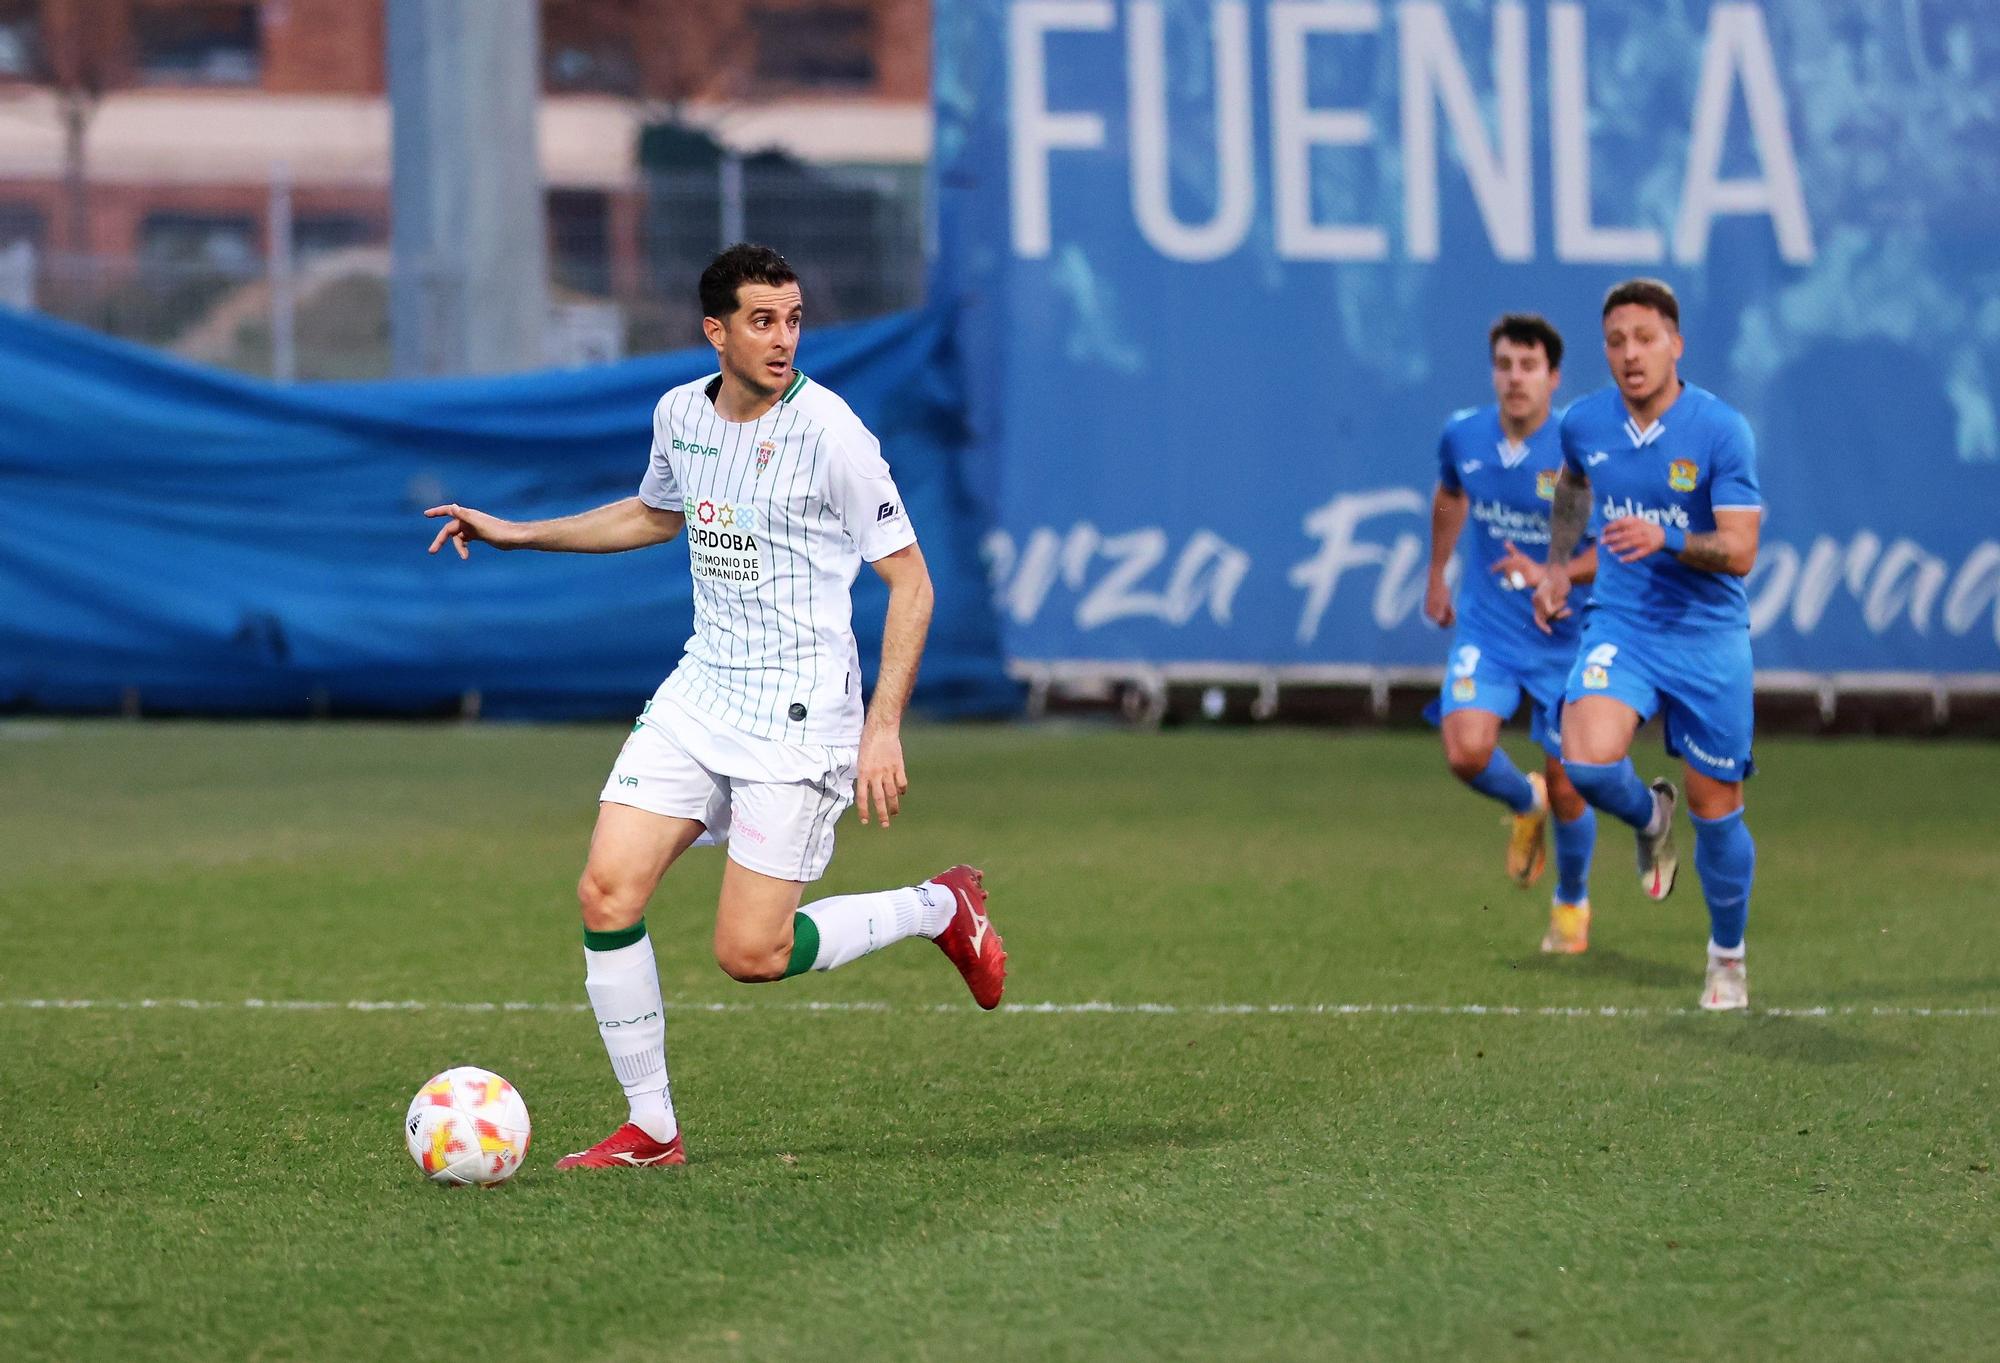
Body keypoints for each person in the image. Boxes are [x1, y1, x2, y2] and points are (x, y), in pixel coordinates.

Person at [422, 243, 1008, 1167]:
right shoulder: (677, 415)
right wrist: (521, 533)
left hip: (799, 712)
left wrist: (882, 726)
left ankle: (938, 906)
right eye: (762, 320)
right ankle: (652, 1128)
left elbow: (913, 582)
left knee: (752, 953)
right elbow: (660, 513)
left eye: (794, 319)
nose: (783, 339)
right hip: (703, 689)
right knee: (606, 889)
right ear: (716, 331)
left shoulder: (833, 433)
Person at [1534, 278, 1762, 1011]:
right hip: (1622, 625)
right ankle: (1647, 817)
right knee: (1586, 761)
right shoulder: (1584, 423)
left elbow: (1740, 549)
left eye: (1645, 339)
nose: (1630, 355)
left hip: (1707, 638)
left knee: (1717, 807)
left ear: (1676, 344)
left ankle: (1726, 955)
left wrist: (1664, 536)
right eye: (1616, 341)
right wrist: (1558, 567)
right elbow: (1572, 489)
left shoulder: (1721, 430)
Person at [1424, 315, 1602, 954]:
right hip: (1489, 627)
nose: (1514, 378)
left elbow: (1616, 551)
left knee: (1571, 782)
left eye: (1528, 366)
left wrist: (1555, 571)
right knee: (1466, 753)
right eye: (1504, 364)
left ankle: (1571, 900)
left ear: (1553, 377)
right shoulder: (1464, 434)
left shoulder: (1579, 451)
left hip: (1563, 638)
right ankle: (1522, 802)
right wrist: (1438, 575)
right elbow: (1450, 497)